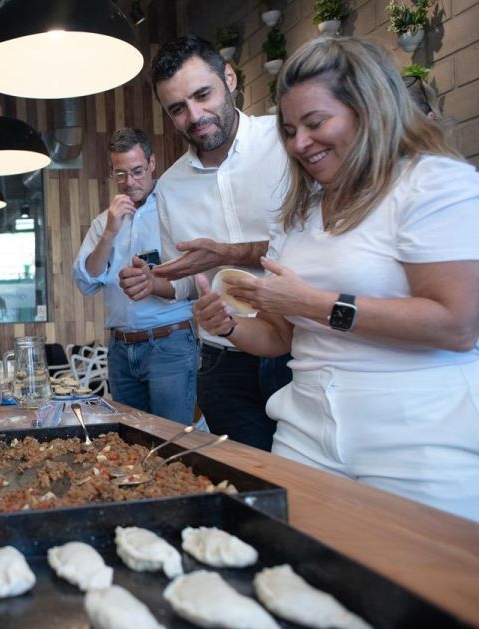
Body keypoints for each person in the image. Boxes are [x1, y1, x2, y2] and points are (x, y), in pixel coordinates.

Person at [192, 36, 479, 521]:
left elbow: (457, 324)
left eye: (315, 123)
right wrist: (227, 326)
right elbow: (280, 336)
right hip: (306, 431)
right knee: (298, 572)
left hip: (419, 436)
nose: (299, 142)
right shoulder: (298, 216)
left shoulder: (431, 183)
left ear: (368, 110)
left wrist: (311, 303)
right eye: (289, 129)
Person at [145, 36, 292, 449]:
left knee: (306, 487)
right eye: (177, 108)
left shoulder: (285, 144)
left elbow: (316, 245)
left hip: (300, 352)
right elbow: (191, 280)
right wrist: (159, 281)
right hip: (223, 361)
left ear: (229, 77)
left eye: (202, 95)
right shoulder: (171, 187)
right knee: (246, 490)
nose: (194, 115)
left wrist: (227, 253)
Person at [72, 128, 197, 424]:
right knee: (131, 440)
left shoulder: (176, 211)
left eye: (137, 171)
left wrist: (153, 284)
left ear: (152, 163)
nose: (129, 182)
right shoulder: (105, 221)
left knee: (172, 440)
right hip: (119, 349)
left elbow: (196, 280)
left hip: (169, 342)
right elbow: (86, 282)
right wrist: (110, 233)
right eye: (120, 174)